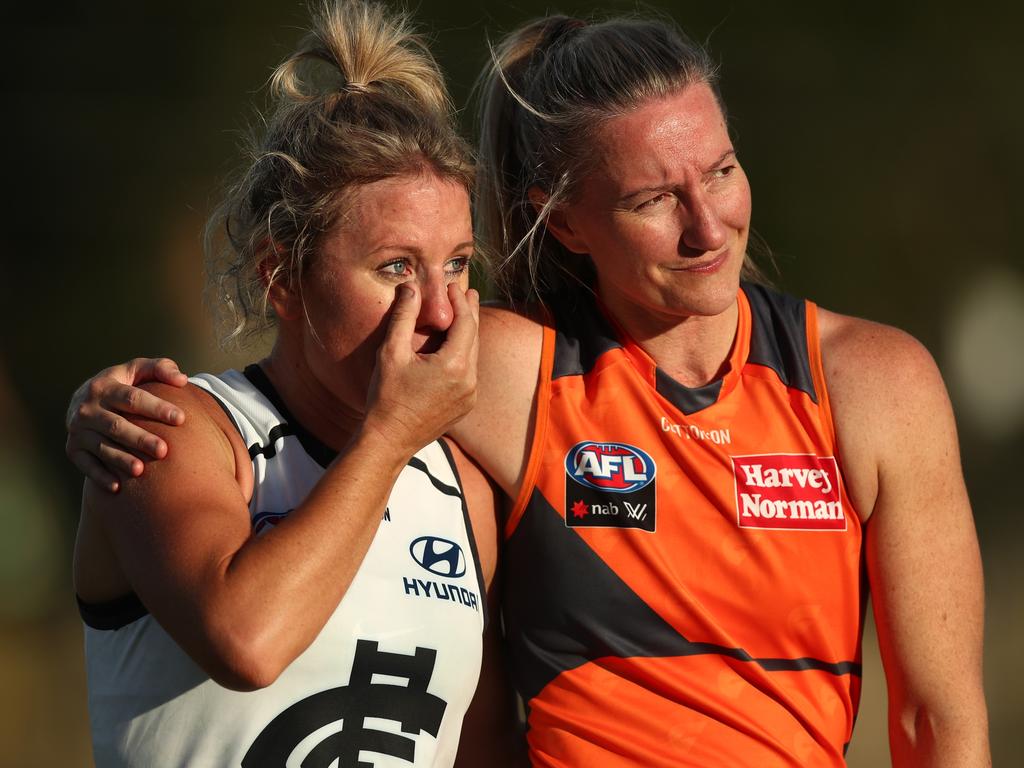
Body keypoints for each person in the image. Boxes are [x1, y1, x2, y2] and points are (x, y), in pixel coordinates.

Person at [67, 10, 990, 768]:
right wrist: (100, 409)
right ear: (570, 223)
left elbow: (939, 723)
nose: (708, 225)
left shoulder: (873, 381)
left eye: (722, 170)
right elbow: (318, 397)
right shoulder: (500, 369)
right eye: (653, 198)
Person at [68, 1, 522, 765]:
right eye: (395, 269)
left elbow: (479, 746)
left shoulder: (462, 490)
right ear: (282, 276)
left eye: (455, 263)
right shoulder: (175, 428)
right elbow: (247, 641)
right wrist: (389, 436)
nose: (439, 310)